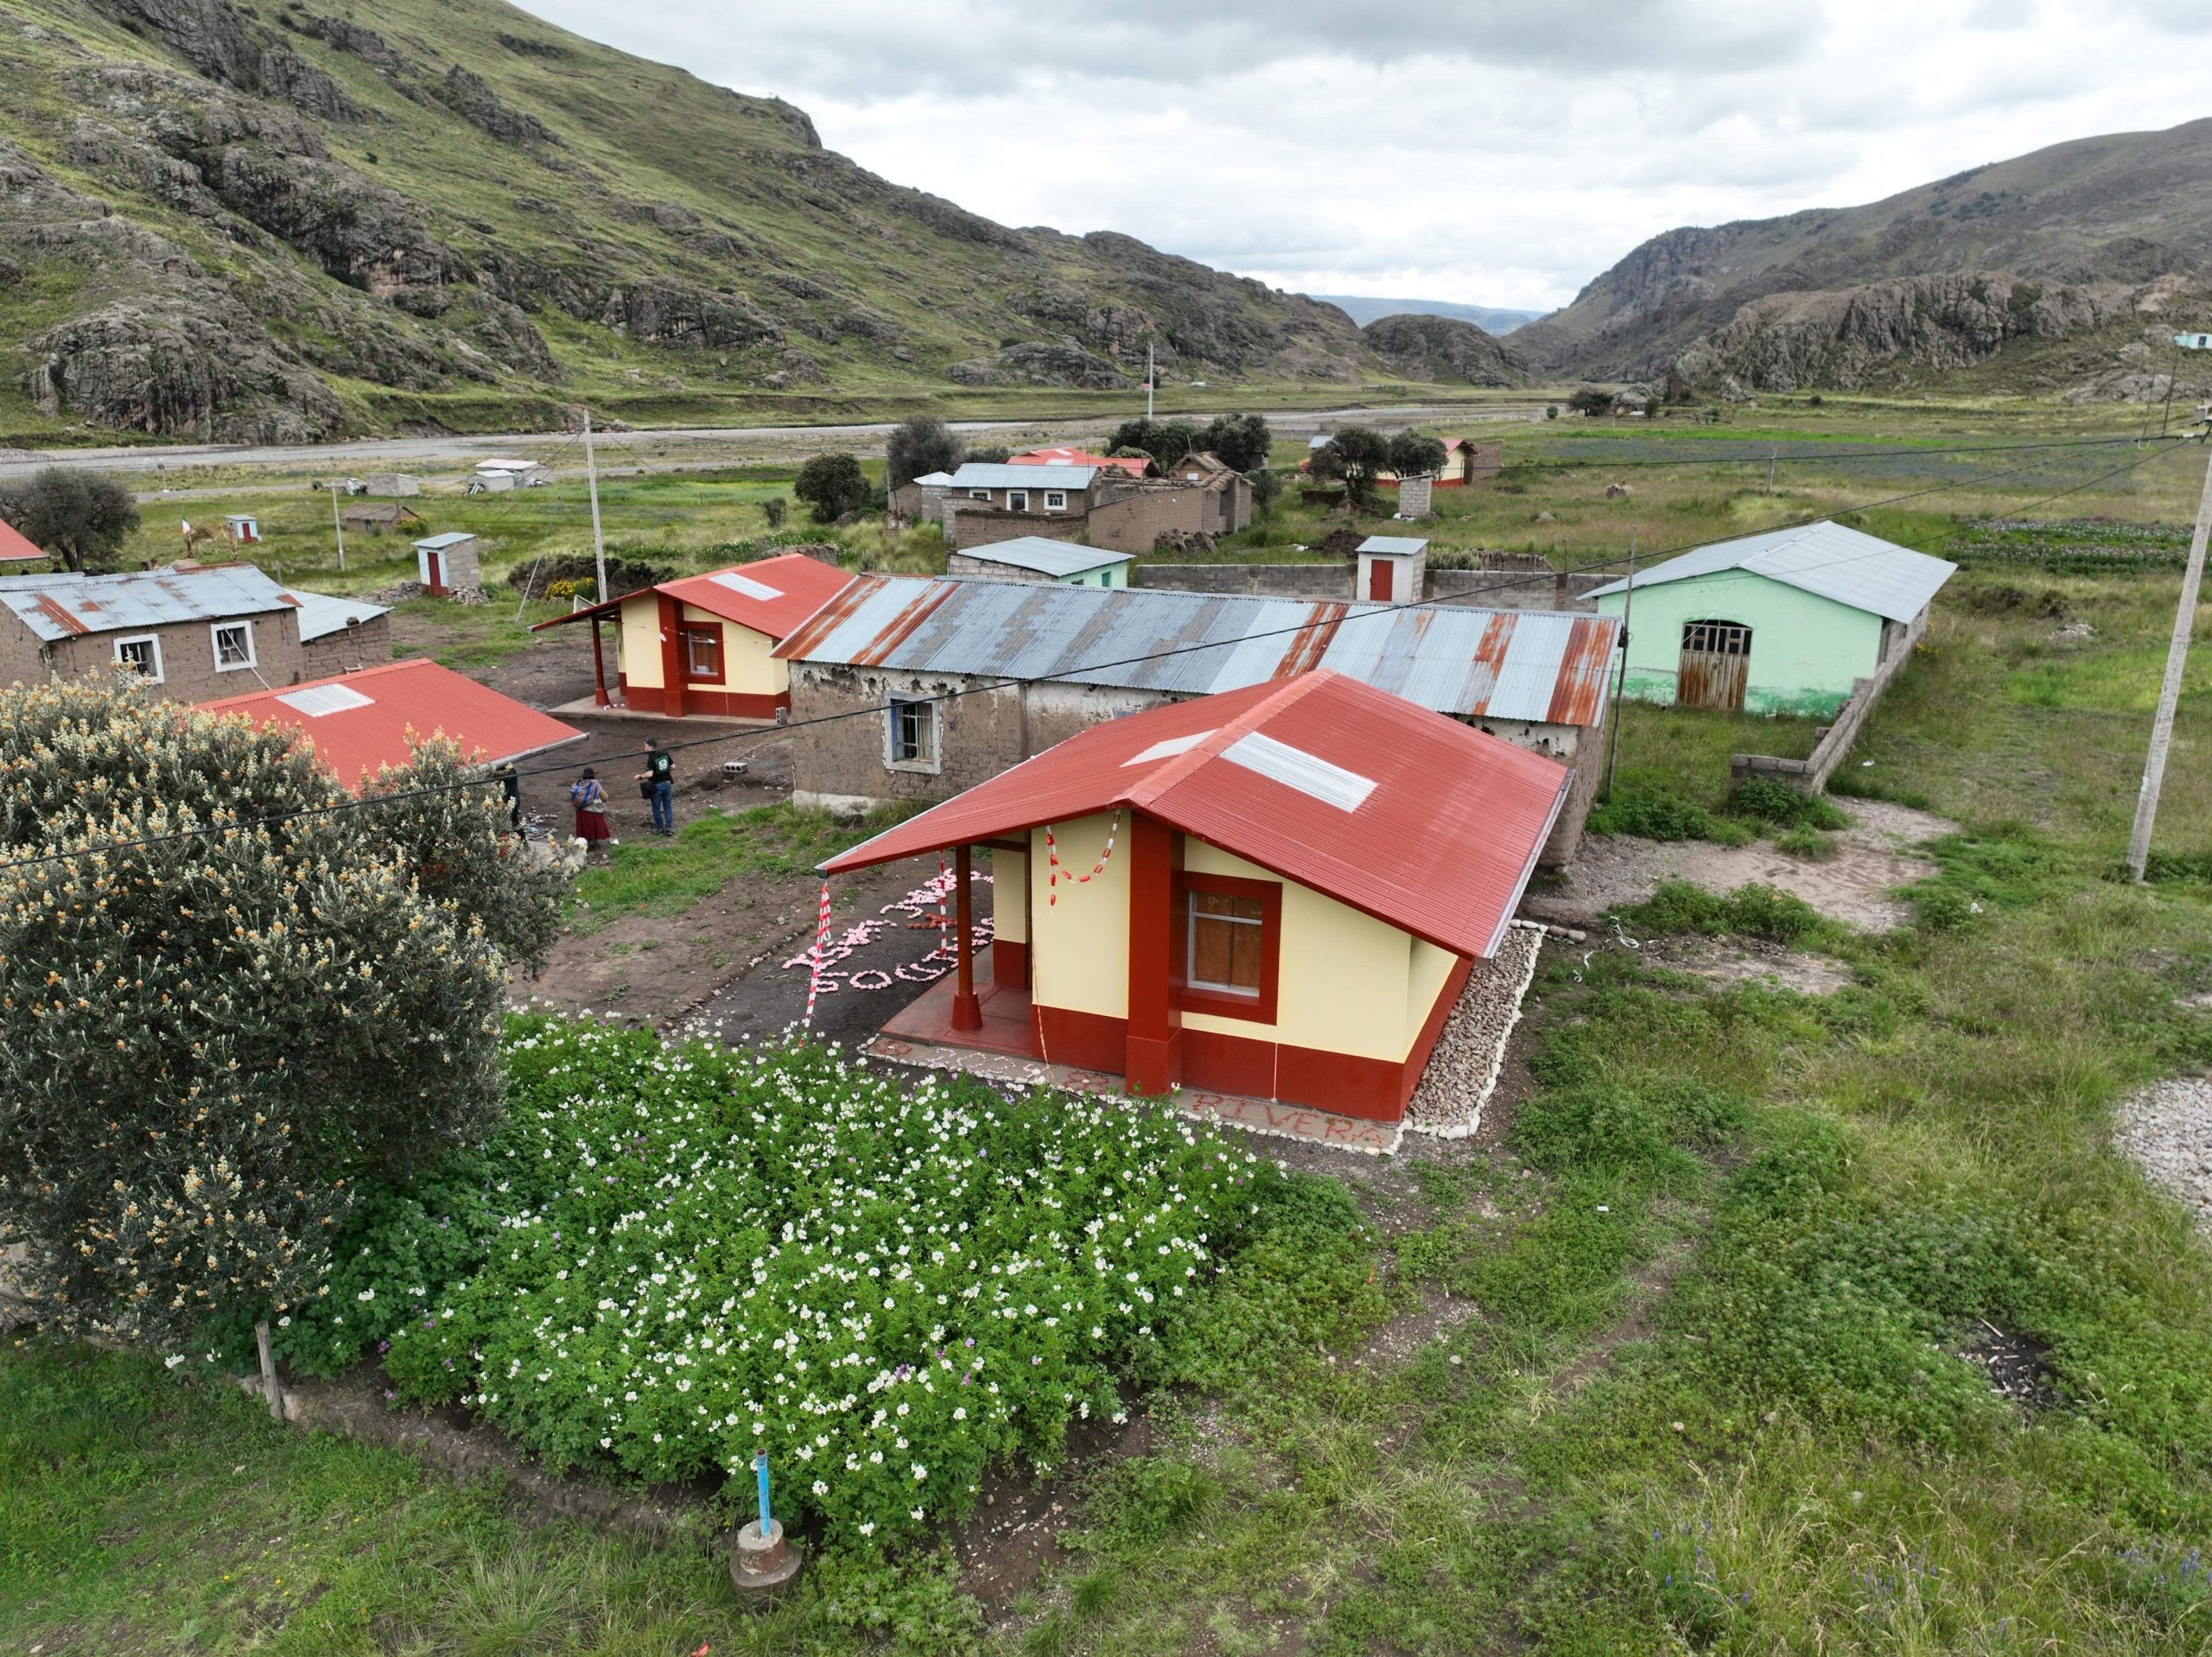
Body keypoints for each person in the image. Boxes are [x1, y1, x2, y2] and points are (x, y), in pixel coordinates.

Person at [637, 737, 675, 836]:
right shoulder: (664, 754)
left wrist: (640, 776)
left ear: (651, 747)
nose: (644, 749)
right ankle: (669, 828)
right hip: (667, 784)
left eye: (645, 747)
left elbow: (649, 774)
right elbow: (673, 767)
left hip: (657, 786)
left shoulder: (651, 758)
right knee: (667, 807)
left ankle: (659, 829)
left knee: (656, 808)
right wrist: (664, 772)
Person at [569, 767, 612, 852]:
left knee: (585, 828)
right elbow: (605, 798)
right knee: (593, 825)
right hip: (593, 812)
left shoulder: (577, 784)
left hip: (580, 812)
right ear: (593, 775)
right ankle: (592, 842)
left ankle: (586, 842)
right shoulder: (594, 784)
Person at [493, 760, 522, 832]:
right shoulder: (511, 770)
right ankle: (521, 840)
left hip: (511, 801)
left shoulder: (509, 772)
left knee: (511, 822)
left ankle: (521, 840)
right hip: (511, 799)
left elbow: (499, 776)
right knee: (512, 822)